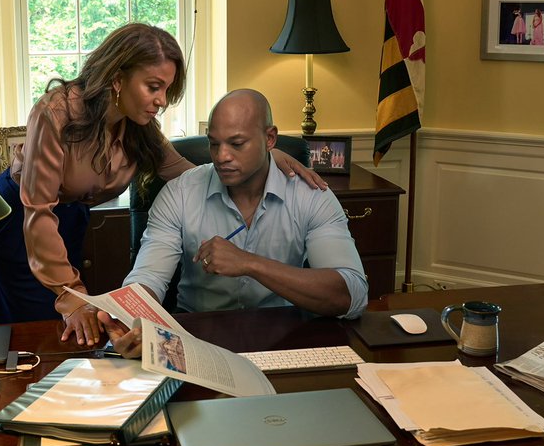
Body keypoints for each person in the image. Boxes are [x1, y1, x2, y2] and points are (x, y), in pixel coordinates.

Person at [0, 25, 323, 345]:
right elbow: (37, 213)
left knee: (71, 331)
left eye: (167, 89)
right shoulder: (55, 113)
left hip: (68, 216)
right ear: (118, 78)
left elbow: (193, 173)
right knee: (34, 328)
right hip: (18, 216)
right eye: (153, 86)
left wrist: (263, 157)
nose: (162, 100)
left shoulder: (139, 126)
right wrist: (71, 296)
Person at [100, 89, 367, 357]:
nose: (221, 156)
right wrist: (129, 319)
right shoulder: (179, 193)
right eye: (214, 144)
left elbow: (352, 295)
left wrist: (250, 263)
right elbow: (149, 276)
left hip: (286, 338)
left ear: (270, 138)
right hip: (197, 341)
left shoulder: (310, 195)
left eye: (237, 144)